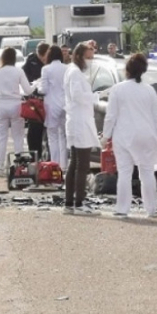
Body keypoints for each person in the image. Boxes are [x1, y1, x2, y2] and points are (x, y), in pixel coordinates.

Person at [101, 53, 157, 218]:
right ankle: (152, 209)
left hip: (124, 136)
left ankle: (122, 208)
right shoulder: (150, 90)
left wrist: (105, 136)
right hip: (147, 135)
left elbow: (111, 116)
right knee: (147, 172)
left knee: (124, 173)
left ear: (127, 69)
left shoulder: (118, 89)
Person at [63, 42, 100, 215]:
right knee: (82, 164)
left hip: (76, 120)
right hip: (79, 122)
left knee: (74, 163)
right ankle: (79, 203)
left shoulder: (72, 70)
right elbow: (78, 96)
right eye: (89, 57)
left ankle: (69, 202)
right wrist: (93, 97)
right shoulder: (75, 73)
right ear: (80, 56)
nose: (90, 61)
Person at [0, 47, 35, 176]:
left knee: (1, 137)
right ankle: (19, 164)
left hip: (0, 106)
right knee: (18, 136)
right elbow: (28, 90)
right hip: (16, 105)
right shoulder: (18, 71)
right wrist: (36, 84)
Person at [40, 45, 68, 170]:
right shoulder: (67, 68)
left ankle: (54, 166)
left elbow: (44, 89)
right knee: (63, 136)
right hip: (65, 104)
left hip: (51, 104)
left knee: (52, 136)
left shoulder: (46, 69)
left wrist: (37, 88)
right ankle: (64, 166)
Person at [22, 42, 50, 159]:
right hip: (35, 101)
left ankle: (49, 156)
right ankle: (34, 155)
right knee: (34, 130)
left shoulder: (51, 62)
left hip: (49, 100)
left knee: (49, 130)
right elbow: (24, 78)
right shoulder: (31, 62)